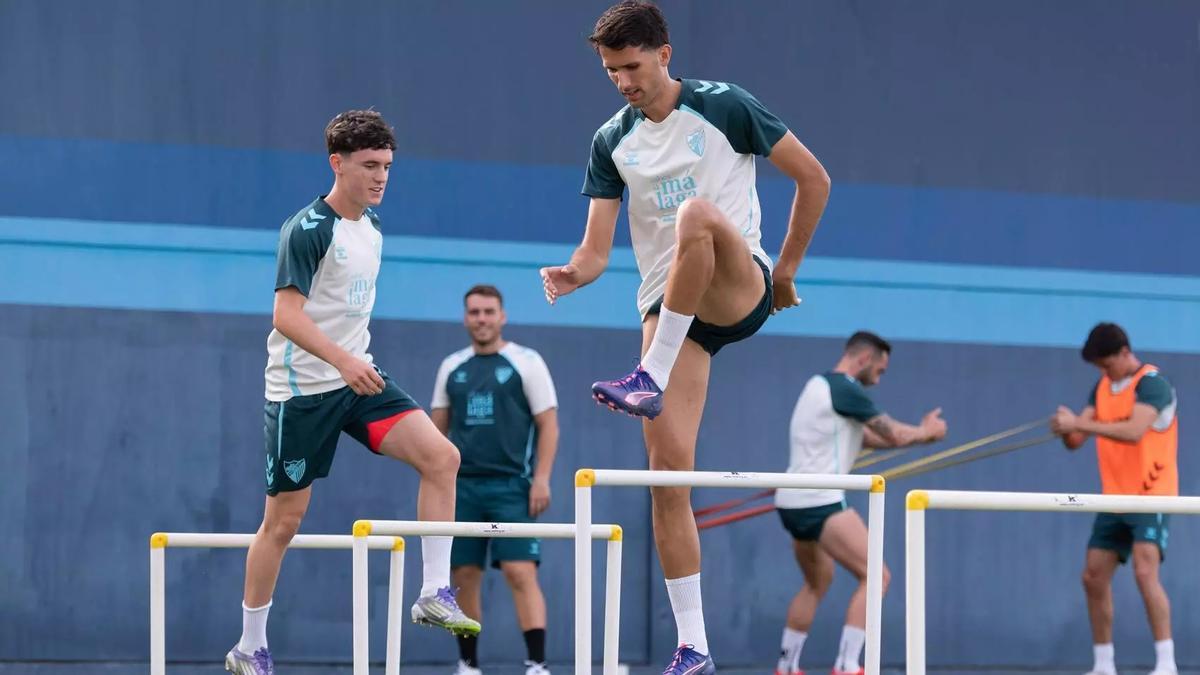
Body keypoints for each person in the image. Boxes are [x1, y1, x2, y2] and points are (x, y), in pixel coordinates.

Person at [539, 2, 831, 670]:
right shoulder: (610, 139)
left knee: (694, 215)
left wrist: (785, 270)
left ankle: (647, 376)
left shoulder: (725, 106)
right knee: (666, 480)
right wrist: (570, 275)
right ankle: (694, 645)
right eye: (611, 71)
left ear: (665, 54)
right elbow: (594, 250)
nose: (622, 82)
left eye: (633, 67)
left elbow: (814, 178)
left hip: (735, 283)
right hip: (666, 307)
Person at [225, 110, 478, 674]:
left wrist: (352, 363)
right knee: (283, 523)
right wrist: (341, 360)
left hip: (359, 382)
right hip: (302, 392)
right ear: (337, 164)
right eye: (369, 166)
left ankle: (434, 591)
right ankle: (250, 645)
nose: (381, 177)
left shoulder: (373, 227)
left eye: (387, 166)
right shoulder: (309, 229)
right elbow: (285, 316)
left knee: (442, 456)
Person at [773, 332, 945, 675]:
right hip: (820, 501)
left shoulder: (819, 386)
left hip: (791, 501)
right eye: (880, 369)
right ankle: (847, 665)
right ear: (864, 359)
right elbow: (893, 432)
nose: (879, 377)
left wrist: (919, 437)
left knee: (816, 582)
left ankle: (786, 667)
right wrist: (928, 432)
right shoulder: (846, 388)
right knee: (877, 576)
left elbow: (867, 437)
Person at [430, 285, 560, 675]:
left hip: (512, 487)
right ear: (465, 318)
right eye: (474, 312)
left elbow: (549, 425)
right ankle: (467, 665)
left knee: (521, 572)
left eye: (489, 312)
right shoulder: (451, 367)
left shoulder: (526, 361)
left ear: (502, 316)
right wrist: (439, 489)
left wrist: (542, 479)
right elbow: (434, 434)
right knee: (464, 575)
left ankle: (537, 664)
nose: (482, 319)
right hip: (463, 489)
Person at [1050, 322, 1179, 675]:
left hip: (1153, 495)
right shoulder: (1103, 387)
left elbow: (1135, 431)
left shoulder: (1152, 384)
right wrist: (1065, 427)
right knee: (1093, 577)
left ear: (1125, 353)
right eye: (1099, 368)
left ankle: (1166, 664)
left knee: (1144, 571)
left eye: (1108, 364)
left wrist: (1080, 424)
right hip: (1115, 497)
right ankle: (1104, 665)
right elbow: (1076, 440)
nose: (1105, 372)